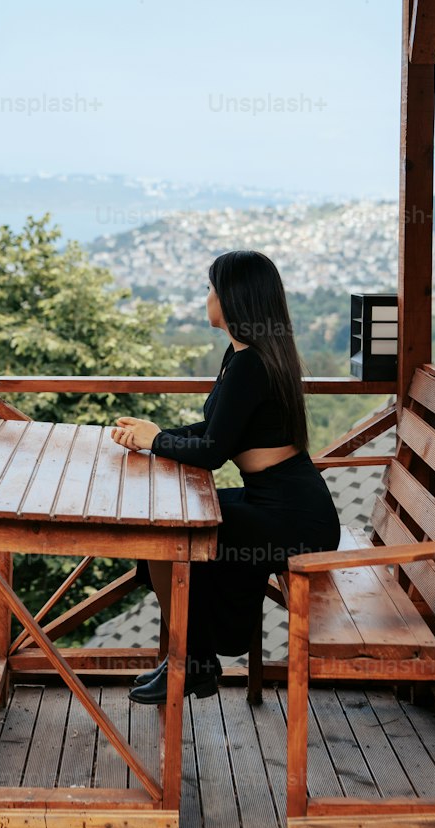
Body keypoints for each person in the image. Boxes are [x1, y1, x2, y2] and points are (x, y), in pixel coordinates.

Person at [111, 249, 340, 704]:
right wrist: (151, 435)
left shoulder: (251, 364)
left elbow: (214, 453)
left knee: (171, 532)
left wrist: (156, 441)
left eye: (212, 288)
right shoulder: (241, 356)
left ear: (233, 299)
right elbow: (217, 431)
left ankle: (193, 663)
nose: (208, 296)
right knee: (164, 526)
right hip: (275, 500)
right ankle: (192, 658)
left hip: (294, 518)